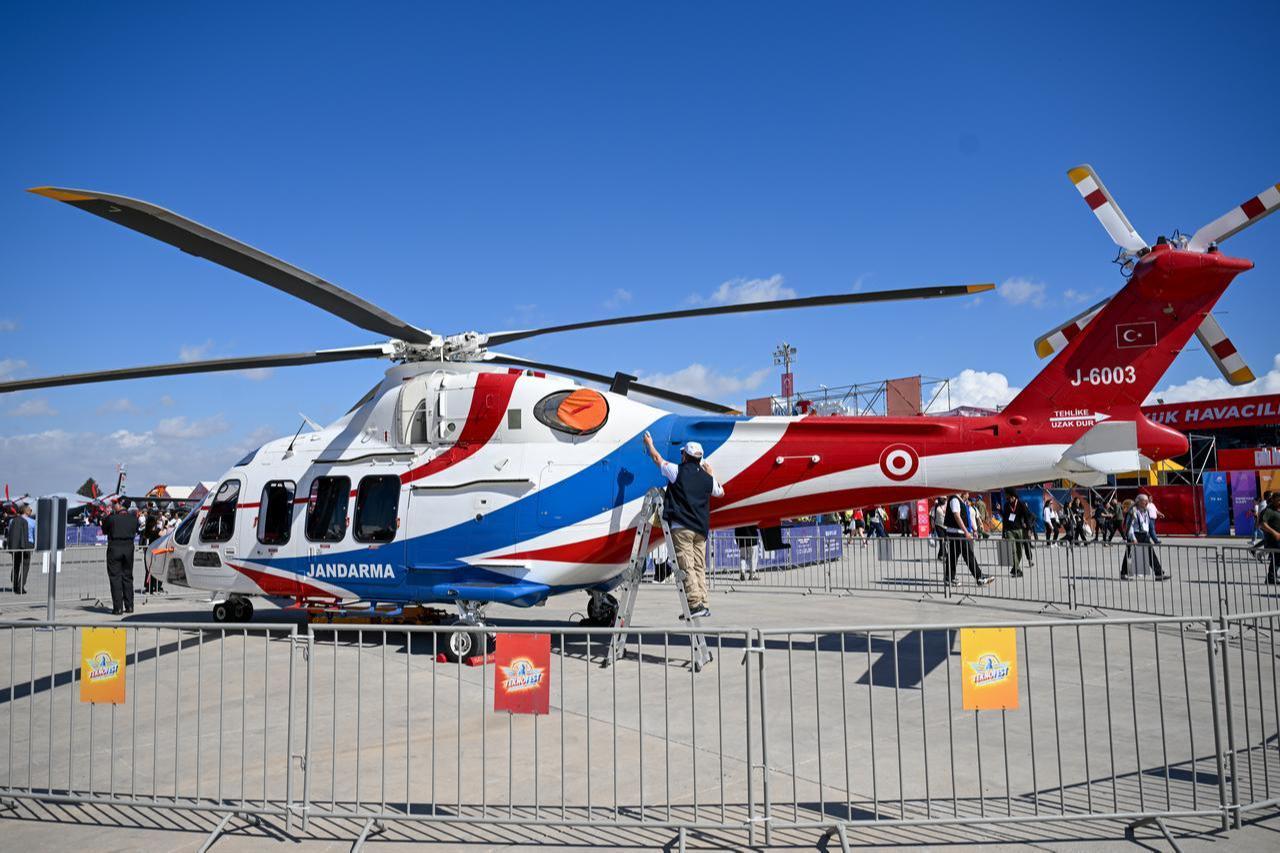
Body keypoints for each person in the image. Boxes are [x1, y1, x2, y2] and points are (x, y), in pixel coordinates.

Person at [643, 432, 723, 619]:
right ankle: (703, 602)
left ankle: (694, 604)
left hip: (682, 527)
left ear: (685, 456)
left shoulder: (677, 471)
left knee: (686, 565)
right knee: (698, 566)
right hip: (701, 530)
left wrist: (649, 444)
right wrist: (710, 474)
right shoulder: (707, 479)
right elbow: (720, 492)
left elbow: (657, 459)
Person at [941, 491, 994, 586]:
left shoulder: (960, 501)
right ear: (962, 492)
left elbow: (966, 518)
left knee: (953, 556)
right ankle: (979, 577)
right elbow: (957, 516)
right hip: (957, 533)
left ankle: (949, 577)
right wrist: (966, 532)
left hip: (957, 532)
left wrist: (974, 530)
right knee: (968, 555)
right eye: (967, 493)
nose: (968, 495)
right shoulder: (954, 499)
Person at [101, 499, 141, 615]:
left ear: (120, 505)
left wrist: (106, 518)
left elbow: (104, 530)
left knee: (115, 577)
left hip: (115, 547)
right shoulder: (133, 519)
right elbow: (136, 530)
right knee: (128, 577)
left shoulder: (112, 518)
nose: (114, 506)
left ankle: (118, 608)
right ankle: (129, 606)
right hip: (129, 547)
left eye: (115, 504)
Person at [1121, 493, 1166, 581]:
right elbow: (1129, 526)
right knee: (1128, 554)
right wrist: (1133, 538)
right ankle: (1123, 573)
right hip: (1135, 535)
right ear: (1138, 501)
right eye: (1144, 501)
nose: (1146, 503)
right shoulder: (1133, 511)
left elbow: (1146, 524)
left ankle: (1159, 574)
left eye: (1147, 501)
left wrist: (1148, 535)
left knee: (1150, 554)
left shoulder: (1146, 511)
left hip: (1144, 535)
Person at [1001, 490, 1035, 577]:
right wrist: (1003, 533)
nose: (1007, 498)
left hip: (1019, 530)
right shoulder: (1006, 505)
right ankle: (1018, 570)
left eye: (1008, 496)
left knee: (1019, 551)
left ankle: (1015, 568)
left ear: (1013, 496)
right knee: (1013, 550)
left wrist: (1029, 529)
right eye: (1006, 497)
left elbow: (1027, 517)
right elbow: (1005, 519)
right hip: (1009, 531)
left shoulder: (1021, 504)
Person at [6, 504, 33, 594]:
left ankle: (14, 586)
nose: (31, 511)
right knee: (25, 567)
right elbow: (31, 535)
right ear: (26, 511)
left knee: (15, 566)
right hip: (26, 545)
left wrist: (10, 547)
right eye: (30, 510)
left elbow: (9, 534)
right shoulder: (31, 522)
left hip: (15, 546)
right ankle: (20, 586)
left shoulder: (12, 521)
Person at [1256, 492, 1280, 585]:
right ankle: (1270, 578)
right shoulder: (1269, 510)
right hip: (1274, 539)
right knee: (1277, 557)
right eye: (1278, 500)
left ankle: (1271, 577)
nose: (1279, 502)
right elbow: (1262, 524)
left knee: (1277, 558)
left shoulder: (1278, 510)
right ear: (1273, 500)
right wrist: (1274, 533)